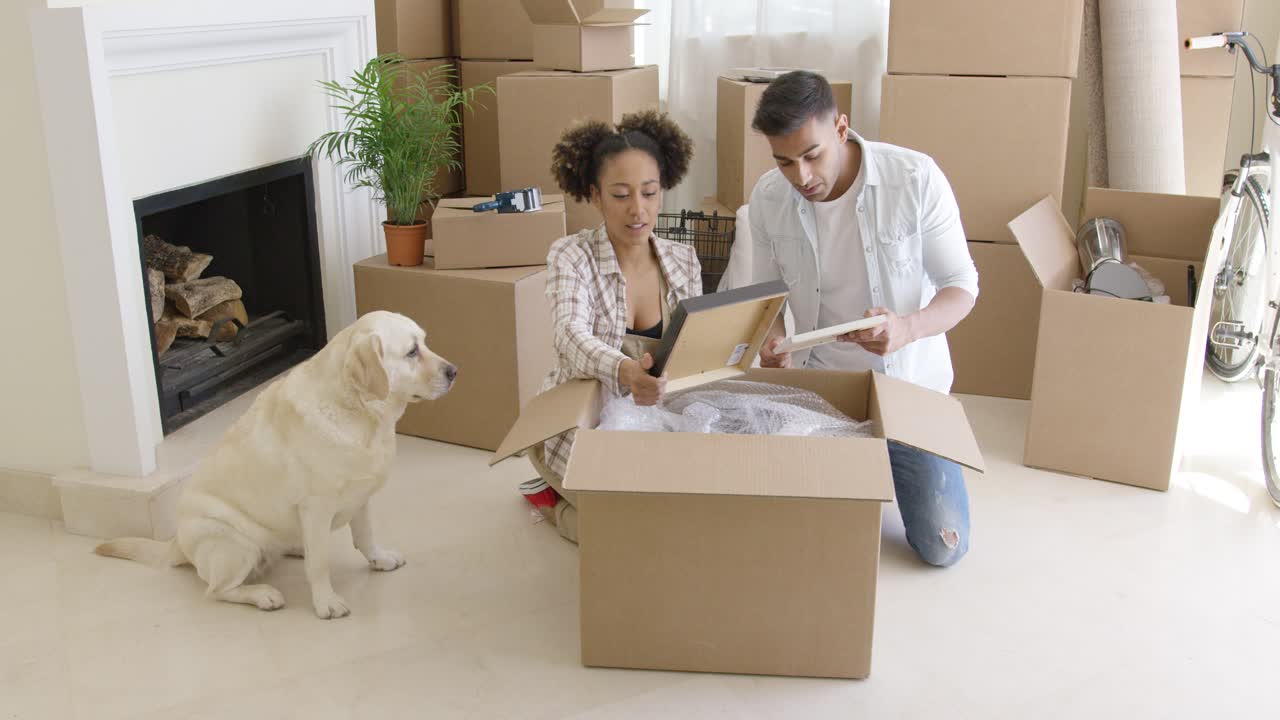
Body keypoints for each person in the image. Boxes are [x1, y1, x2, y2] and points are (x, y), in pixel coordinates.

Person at [749, 71, 979, 567]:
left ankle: (894, 461)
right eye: (784, 161)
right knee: (782, 536)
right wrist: (773, 339)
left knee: (943, 546)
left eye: (812, 155)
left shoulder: (914, 178)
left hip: (908, 391)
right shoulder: (768, 198)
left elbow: (963, 286)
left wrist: (906, 329)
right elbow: (768, 298)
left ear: (841, 128)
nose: (801, 177)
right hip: (821, 390)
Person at [519, 110, 700, 543]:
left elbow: (692, 350)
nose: (638, 210)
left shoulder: (683, 260)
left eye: (649, 193)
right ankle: (551, 503)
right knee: (626, 531)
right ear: (595, 196)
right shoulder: (570, 255)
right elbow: (569, 335)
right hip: (580, 421)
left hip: (653, 418)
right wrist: (625, 370)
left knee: (688, 516)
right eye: (620, 195)